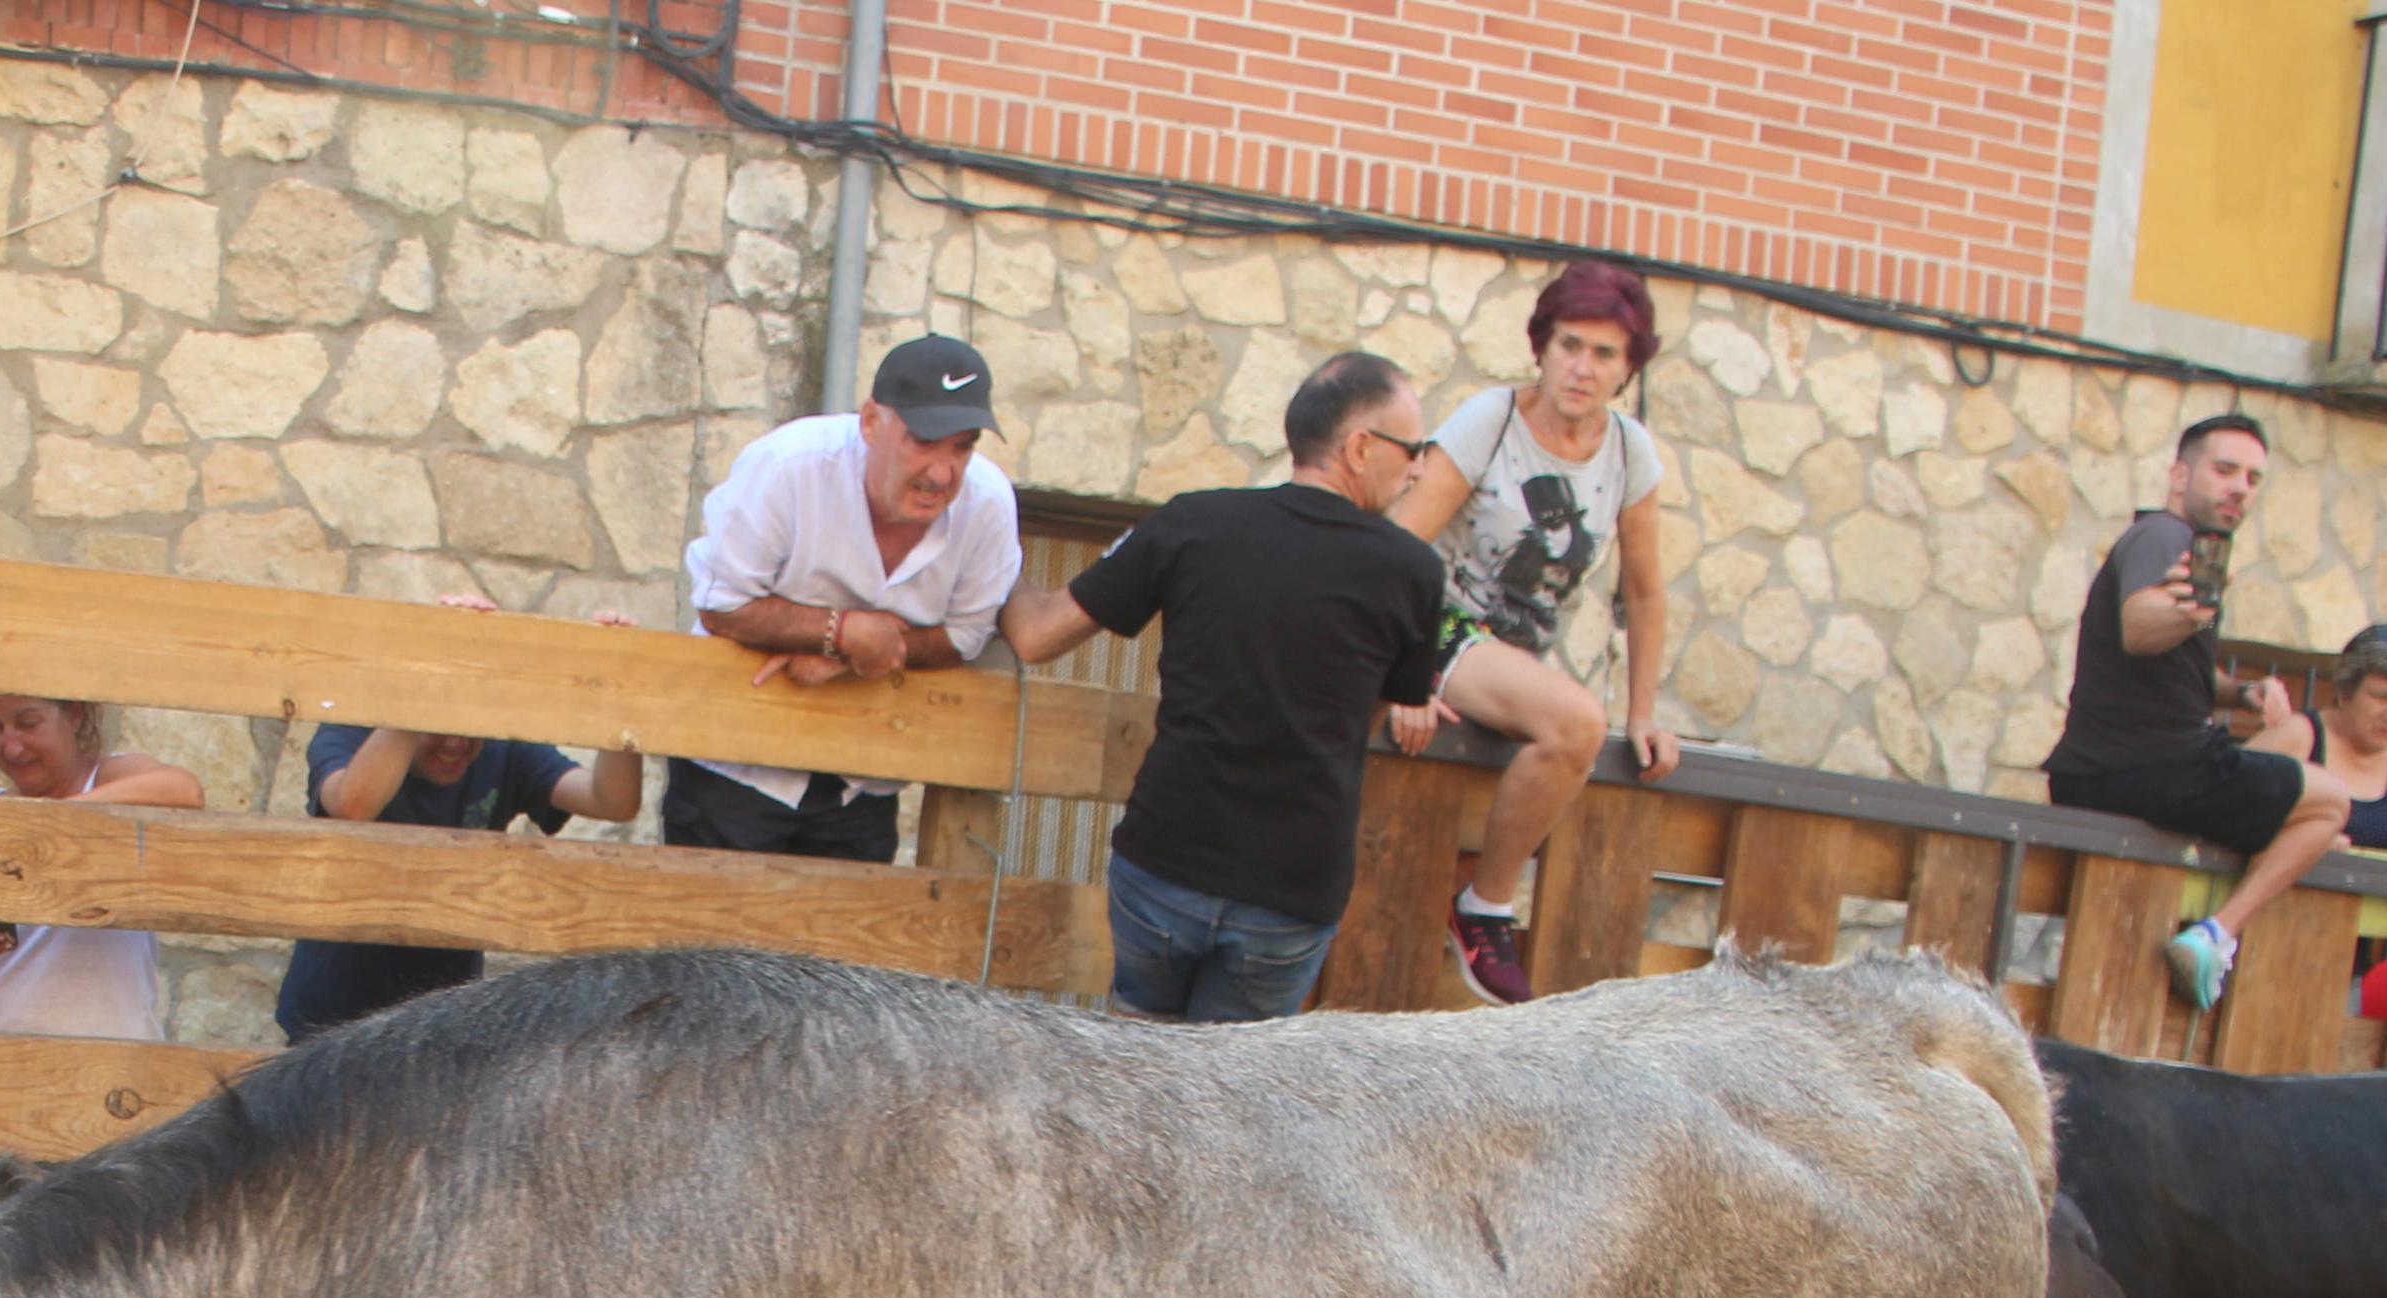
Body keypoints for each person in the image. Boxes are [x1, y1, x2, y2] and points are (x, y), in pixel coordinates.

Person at [997, 352, 1448, 1024]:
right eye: (1413, 449)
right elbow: (1373, 711)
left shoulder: (1191, 523)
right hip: (1288, 893)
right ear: (1358, 448)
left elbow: (1037, 635)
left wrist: (986, 556)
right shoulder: (1411, 571)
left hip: (1164, 864)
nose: (1418, 467)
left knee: (1132, 1073)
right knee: (1232, 1105)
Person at [1389, 258, 1678, 1004]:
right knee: (1577, 721)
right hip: (1440, 622)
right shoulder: (1492, 420)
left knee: (1584, 729)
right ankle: (1483, 906)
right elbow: (1394, 551)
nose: (1581, 368)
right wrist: (1404, 671)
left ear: (1627, 369)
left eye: (1603, 354)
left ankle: (1467, 889)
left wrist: (1645, 712)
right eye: (1568, 345)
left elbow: (1643, 592)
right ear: (1541, 348)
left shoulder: (1628, 451)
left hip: (1514, 651)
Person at [675, 333, 1022, 862]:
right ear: (871, 423)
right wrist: (844, 632)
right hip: (733, 762)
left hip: (861, 778)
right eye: (923, 441)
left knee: (846, 945)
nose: (942, 472)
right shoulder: (788, 466)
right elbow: (721, 603)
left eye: (962, 445)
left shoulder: (989, 506)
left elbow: (965, 637)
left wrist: (851, 654)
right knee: (713, 943)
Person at [2044, 411, 2349, 1012]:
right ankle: (2215, 934)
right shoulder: (2166, 535)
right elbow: (2140, 627)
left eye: (2255, 479)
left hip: (2102, 767)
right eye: (2226, 470)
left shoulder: (2180, 550)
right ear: (2180, 474)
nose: (2241, 488)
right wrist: (2190, 613)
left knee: (2287, 756)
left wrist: (2243, 694)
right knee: (2332, 803)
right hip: (2155, 767)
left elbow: (2173, 659)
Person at [278, 594, 644, 1042]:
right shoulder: (351, 728)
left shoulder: (505, 747)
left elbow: (612, 801)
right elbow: (354, 804)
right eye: (441, 723)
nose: (455, 744)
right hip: (333, 1016)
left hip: (444, 1024)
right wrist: (427, 674)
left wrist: (620, 692)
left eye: (469, 726)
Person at [0, 693, 203, 1040]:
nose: (11, 748)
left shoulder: (108, 779)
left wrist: (57, 819)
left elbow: (184, 790)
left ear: (75, 715)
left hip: (111, 1065)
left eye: (28, 724)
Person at [2256, 622, 2387, 866]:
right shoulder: (2297, 736)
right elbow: (2225, 811)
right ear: (2345, 692)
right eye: (2381, 697)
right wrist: (2302, 840)